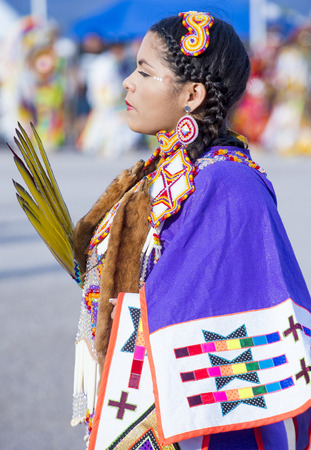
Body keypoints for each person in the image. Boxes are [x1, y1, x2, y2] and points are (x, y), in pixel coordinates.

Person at [71, 11, 311, 449]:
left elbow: (240, 330)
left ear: (193, 94)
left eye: (145, 71)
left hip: (186, 426)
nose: (128, 82)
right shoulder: (165, 171)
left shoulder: (230, 185)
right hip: (135, 403)